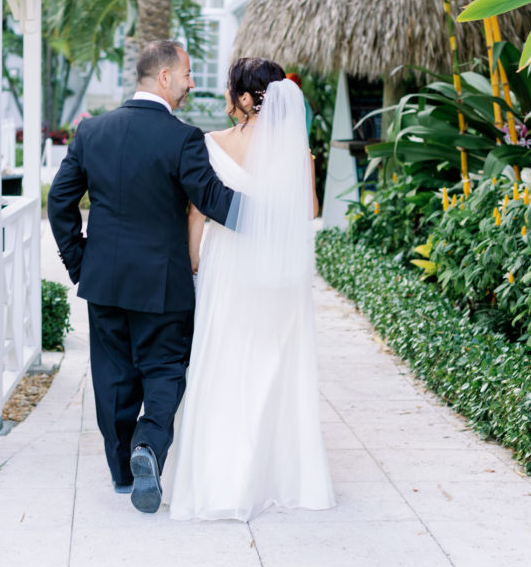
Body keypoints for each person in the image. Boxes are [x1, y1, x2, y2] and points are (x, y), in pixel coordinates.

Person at [47, 40, 237, 514]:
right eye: (189, 74)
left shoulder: (92, 132)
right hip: (164, 283)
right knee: (166, 369)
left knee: (112, 376)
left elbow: (59, 201)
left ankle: (120, 473)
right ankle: (148, 448)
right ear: (165, 77)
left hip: (105, 281)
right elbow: (213, 199)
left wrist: (80, 263)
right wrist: (274, 216)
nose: (193, 82)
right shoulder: (183, 138)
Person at [162, 57, 335, 521]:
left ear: (243, 98)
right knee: (275, 368)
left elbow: (198, 212)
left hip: (228, 266)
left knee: (223, 361)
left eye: (228, 89)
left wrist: (195, 260)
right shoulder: (295, 150)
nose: (223, 95)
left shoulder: (211, 144)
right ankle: (276, 475)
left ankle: (217, 477)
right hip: (279, 272)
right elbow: (308, 212)